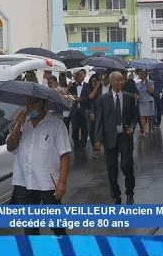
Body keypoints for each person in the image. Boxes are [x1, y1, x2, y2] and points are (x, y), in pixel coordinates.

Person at [7, 93, 72, 235]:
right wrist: (18, 125)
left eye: (32, 103)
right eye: (26, 103)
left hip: (47, 183)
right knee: (30, 227)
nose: (28, 107)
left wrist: (62, 182)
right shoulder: (23, 124)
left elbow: (65, 155)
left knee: (56, 224)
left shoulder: (57, 125)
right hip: (25, 182)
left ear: (42, 102)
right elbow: (10, 147)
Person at [93, 71, 139, 204]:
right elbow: (99, 120)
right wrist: (98, 139)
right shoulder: (103, 99)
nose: (120, 82)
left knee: (126, 165)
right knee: (111, 169)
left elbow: (135, 115)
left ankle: (130, 192)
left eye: (122, 80)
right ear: (112, 82)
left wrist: (132, 126)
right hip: (109, 138)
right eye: (118, 80)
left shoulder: (129, 97)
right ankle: (115, 195)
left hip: (125, 137)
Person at [81, 72, 105, 157]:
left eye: (96, 81)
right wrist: (96, 87)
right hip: (88, 111)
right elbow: (91, 97)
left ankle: (97, 148)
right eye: (92, 81)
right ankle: (94, 147)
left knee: (98, 130)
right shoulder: (89, 88)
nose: (94, 83)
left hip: (98, 112)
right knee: (91, 131)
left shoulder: (101, 89)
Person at [67, 69, 91, 149]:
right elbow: (67, 95)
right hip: (74, 110)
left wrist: (81, 99)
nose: (82, 78)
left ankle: (82, 145)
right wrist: (69, 90)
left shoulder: (87, 86)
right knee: (75, 128)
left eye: (83, 76)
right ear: (76, 77)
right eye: (80, 76)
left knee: (84, 128)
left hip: (84, 110)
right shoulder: (72, 85)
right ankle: (76, 144)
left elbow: (88, 97)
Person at [134, 69, 155, 136]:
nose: (141, 76)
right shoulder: (137, 84)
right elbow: (136, 92)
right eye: (140, 74)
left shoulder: (151, 82)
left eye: (143, 74)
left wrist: (146, 84)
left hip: (149, 100)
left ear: (146, 75)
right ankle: (145, 130)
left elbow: (151, 91)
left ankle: (150, 128)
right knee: (142, 116)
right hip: (141, 101)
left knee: (149, 116)